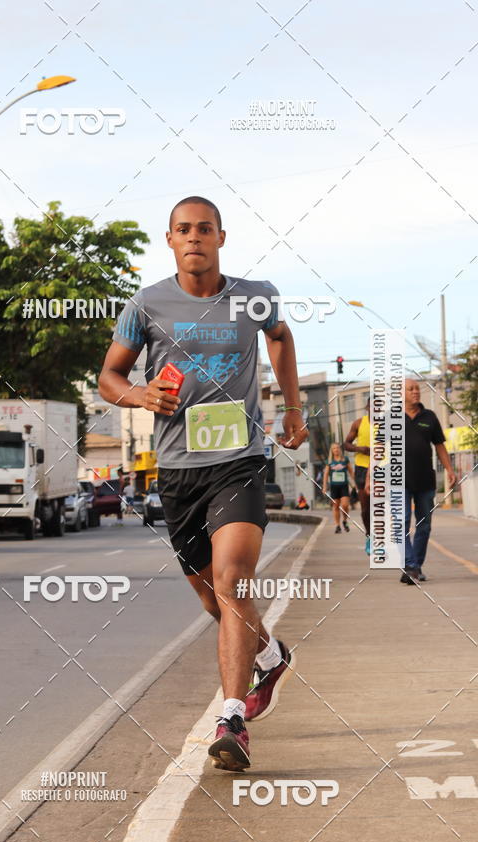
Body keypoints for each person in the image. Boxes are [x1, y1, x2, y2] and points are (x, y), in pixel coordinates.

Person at [98, 196, 307, 772]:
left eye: (205, 229)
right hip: (178, 471)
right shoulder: (145, 305)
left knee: (233, 579)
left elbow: (281, 338)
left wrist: (292, 409)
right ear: (169, 239)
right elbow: (108, 376)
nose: (195, 238)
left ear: (221, 237)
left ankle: (232, 719)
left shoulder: (254, 293)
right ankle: (268, 654)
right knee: (213, 599)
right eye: (184, 230)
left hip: (239, 459)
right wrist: (139, 394)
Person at [400, 379, 456, 584]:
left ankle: (415, 566)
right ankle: (410, 565)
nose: (416, 392)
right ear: (400, 393)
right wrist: (374, 476)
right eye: (411, 389)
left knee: (424, 525)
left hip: (425, 481)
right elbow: (379, 450)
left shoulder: (429, 417)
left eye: (417, 388)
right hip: (398, 480)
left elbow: (440, 446)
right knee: (401, 522)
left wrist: (449, 470)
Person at [344, 399, 371, 554]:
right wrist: (360, 448)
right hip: (362, 467)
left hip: (382, 467)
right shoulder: (359, 423)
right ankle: (369, 536)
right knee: (366, 507)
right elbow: (346, 444)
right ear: (367, 407)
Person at [322, 443, 353, 533]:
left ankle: (345, 521)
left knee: (345, 505)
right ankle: (337, 525)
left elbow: (351, 472)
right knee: (336, 506)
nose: (336, 450)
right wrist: (324, 487)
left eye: (337, 448)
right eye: (334, 448)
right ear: (332, 451)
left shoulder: (345, 460)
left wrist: (356, 483)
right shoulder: (330, 461)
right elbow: (326, 474)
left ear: (340, 449)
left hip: (344, 486)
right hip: (334, 487)